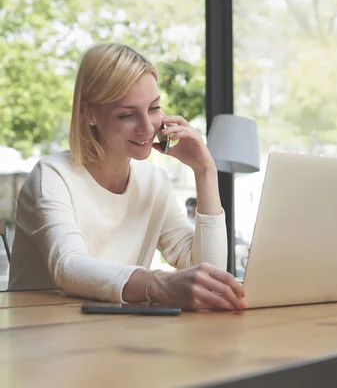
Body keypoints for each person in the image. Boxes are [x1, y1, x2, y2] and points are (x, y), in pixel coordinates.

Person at [8, 43, 245, 311]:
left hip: (116, 337)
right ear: (89, 114)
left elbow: (208, 277)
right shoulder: (52, 177)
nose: (147, 127)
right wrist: (157, 283)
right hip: (44, 337)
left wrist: (205, 172)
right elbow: (68, 267)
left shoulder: (153, 182)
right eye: (127, 114)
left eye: (154, 108)